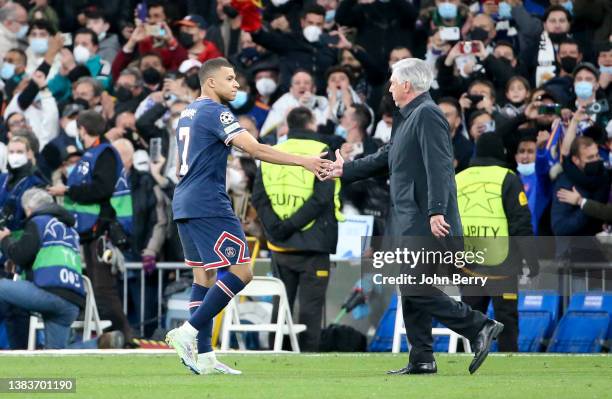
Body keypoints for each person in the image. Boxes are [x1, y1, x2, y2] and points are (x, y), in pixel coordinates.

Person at [324, 58, 502, 375]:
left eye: (393, 81)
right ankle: (421, 357)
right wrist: (345, 169)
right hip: (410, 217)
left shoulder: (428, 114)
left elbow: (441, 168)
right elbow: (386, 157)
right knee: (410, 285)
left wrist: (436, 211)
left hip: (425, 217)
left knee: (413, 286)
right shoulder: (409, 116)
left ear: (407, 85)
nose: (389, 86)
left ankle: (479, 326)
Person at [164, 58, 332, 375]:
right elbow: (255, 149)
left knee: (205, 277)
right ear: (211, 82)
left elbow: (178, 167)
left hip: (184, 201)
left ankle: (205, 357)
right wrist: (304, 162)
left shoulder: (187, 114)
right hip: (208, 203)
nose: (237, 85)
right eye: (230, 79)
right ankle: (187, 332)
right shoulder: (216, 112)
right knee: (242, 272)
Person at [251, 107, 341, 351]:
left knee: (280, 309)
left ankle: (275, 355)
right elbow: (321, 199)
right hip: (313, 245)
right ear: (312, 123)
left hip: (280, 245)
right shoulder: (323, 152)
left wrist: (277, 230)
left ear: (288, 126)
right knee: (311, 312)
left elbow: (258, 197)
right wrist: (290, 225)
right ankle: (309, 361)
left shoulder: (272, 153)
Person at [46, 110, 134, 344]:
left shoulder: (104, 153)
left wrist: (67, 191)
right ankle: (114, 338)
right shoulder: (94, 153)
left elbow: (101, 189)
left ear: (82, 129)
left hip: (101, 229)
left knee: (103, 289)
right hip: (88, 230)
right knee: (96, 289)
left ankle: (125, 339)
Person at [0, 188, 122, 349]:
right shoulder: (70, 229)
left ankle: (19, 351)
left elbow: (20, 255)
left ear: (29, 209)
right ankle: (97, 344)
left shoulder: (39, 221)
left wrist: (4, 239)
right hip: (71, 301)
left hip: (47, 292)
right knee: (56, 357)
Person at [456, 133, 538, 352]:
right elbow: (521, 224)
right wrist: (532, 260)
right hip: (502, 262)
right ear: (500, 152)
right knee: (506, 319)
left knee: (472, 319)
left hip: (468, 262)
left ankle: (471, 364)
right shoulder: (508, 178)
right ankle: (507, 367)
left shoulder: (458, 178)